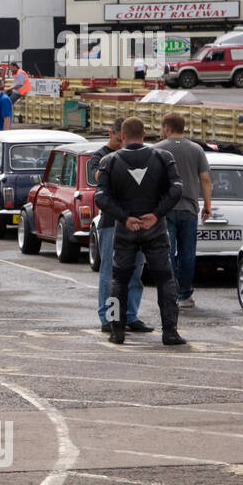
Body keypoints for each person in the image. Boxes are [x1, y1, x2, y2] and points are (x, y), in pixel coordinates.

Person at [95, 117, 186, 346]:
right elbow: (176, 190)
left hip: (126, 230)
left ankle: (117, 331)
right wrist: (156, 214)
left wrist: (125, 218)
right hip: (154, 228)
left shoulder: (110, 160)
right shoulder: (162, 157)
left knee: (118, 280)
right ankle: (170, 332)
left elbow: (100, 197)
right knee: (165, 279)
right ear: (144, 135)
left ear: (122, 136)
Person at [93, 117, 149, 335]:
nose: (120, 145)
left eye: (122, 141)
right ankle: (109, 316)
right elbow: (97, 177)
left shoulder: (140, 156)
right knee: (110, 273)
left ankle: (130, 315)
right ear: (113, 135)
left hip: (139, 223)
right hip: (112, 222)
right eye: (118, 141)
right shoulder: (101, 157)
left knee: (136, 270)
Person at [156, 113, 212, 310]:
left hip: (165, 208)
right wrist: (207, 205)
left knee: (168, 252)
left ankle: (169, 291)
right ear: (183, 127)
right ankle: (185, 294)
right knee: (188, 252)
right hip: (189, 208)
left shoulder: (157, 149)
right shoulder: (196, 149)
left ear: (167, 128)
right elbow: (205, 179)